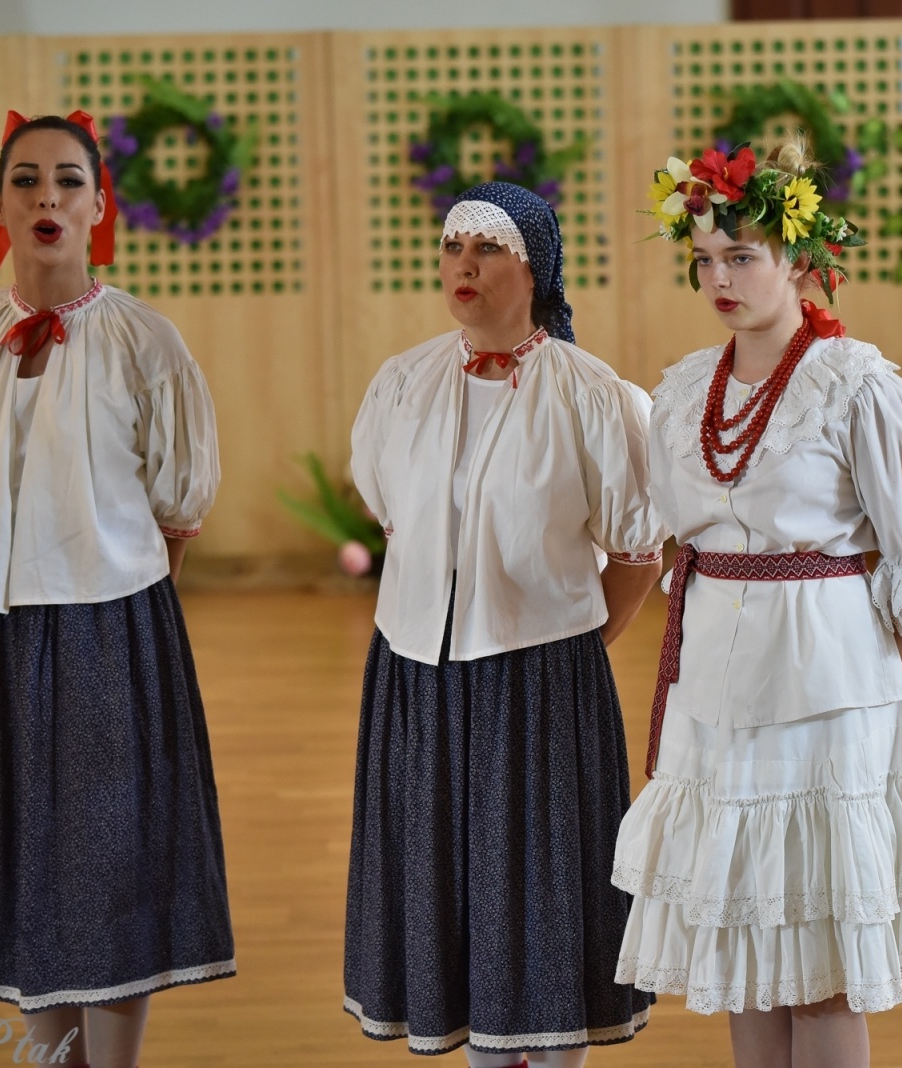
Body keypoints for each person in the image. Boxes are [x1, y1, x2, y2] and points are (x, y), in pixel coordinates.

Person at [612, 140, 902, 1068]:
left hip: (827, 695)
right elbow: (670, 534)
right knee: (745, 949)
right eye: (704, 259)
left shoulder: (859, 388)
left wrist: (865, 701)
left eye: (742, 256)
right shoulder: (686, 388)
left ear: (799, 262)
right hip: (713, 691)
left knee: (818, 966)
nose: (719, 278)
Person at [0, 111, 233, 1068]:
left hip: (109, 627)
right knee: (20, 847)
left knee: (110, 855)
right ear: (0, 204)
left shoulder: (144, 339)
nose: (46, 197)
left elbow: (179, 496)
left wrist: (109, 587)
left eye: (66, 181)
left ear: (99, 206)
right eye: (25, 180)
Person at [343, 181, 665, 1066]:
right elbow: (391, 515)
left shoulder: (594, 395)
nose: (464, 267)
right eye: (453, 248)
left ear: (536, 270)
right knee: (446, 874)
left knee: (544, 882)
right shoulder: (401, 383)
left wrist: (578, 646)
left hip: (540, 679)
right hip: (416, 672)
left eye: (487, 250)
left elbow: (638, 552)